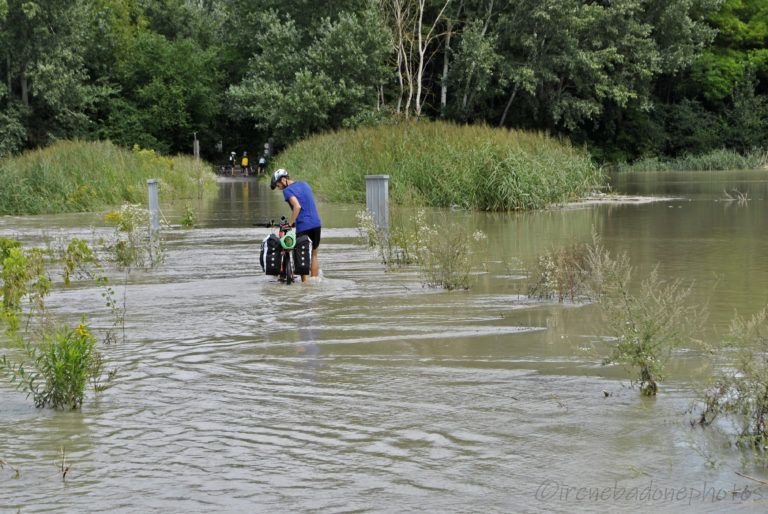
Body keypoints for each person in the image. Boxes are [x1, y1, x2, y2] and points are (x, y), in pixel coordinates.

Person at [270, 168, 321, 282]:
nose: (279, 188)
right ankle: (315, 283)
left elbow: (297, 206)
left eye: (278, 185)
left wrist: (290, 224)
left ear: (283, 180)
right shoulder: (305, 184)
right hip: (316, 223)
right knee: (314, 255)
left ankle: (305, 285)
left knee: (301, 257)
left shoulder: (287, 190)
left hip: (303, 226)